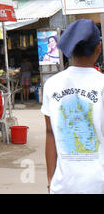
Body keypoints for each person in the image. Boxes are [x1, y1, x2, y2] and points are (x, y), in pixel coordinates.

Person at [42, 19, 104, 194]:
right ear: (99, 47)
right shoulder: (102, 84)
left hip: (62, 185)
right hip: (98, 184)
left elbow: (49, 134)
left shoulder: (51, 84)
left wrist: (50, 179)